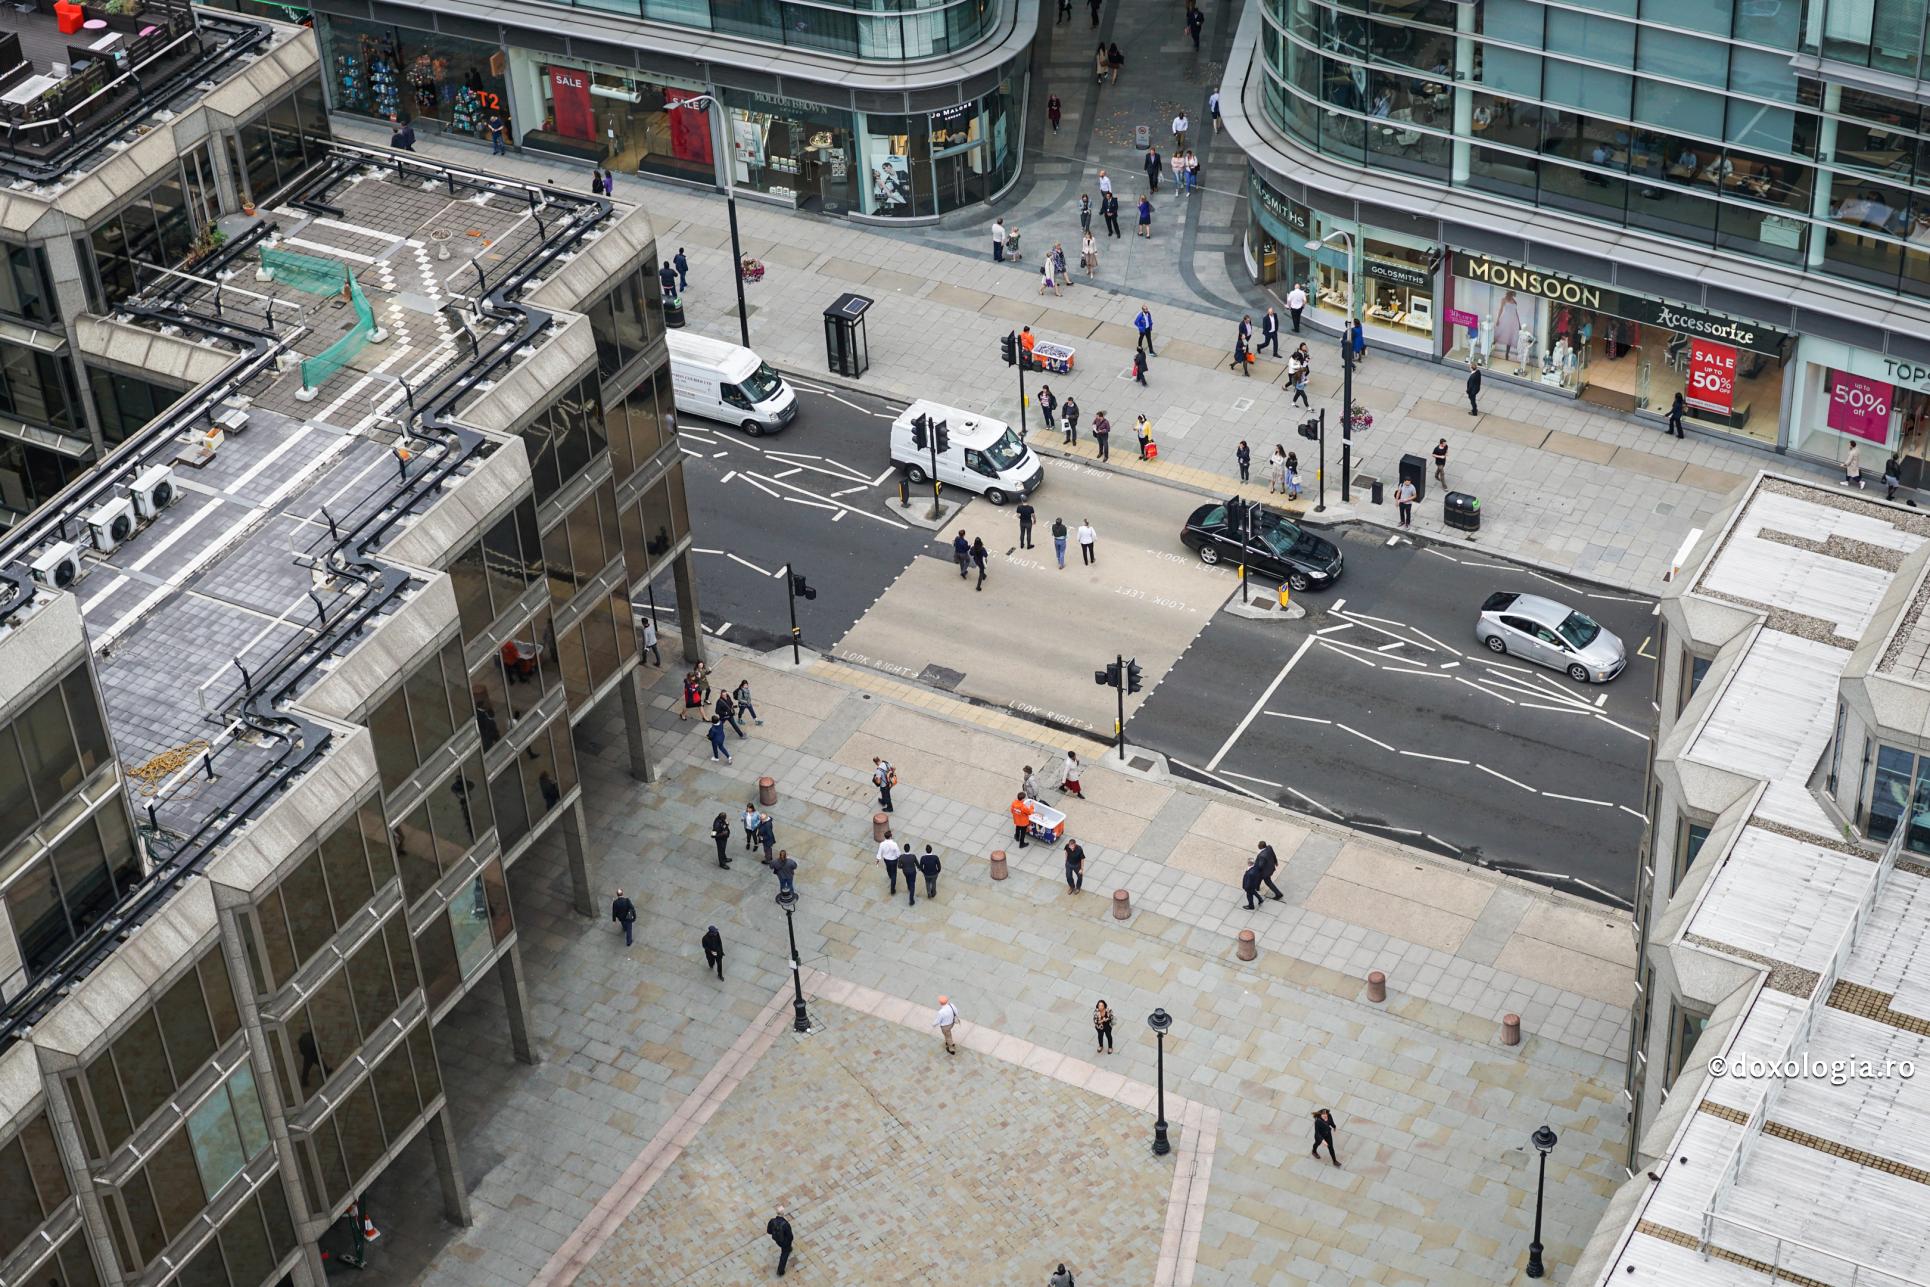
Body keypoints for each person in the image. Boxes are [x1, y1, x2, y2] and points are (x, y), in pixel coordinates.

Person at [767, 1206, 794, 1277]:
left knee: (786, 1249)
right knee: (784, 1254)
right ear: (783, 1213)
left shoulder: (772, 1221)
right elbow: (790, 1236)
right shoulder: (786, 1224)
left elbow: (769, 1231)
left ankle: (789, 1249)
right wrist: (789, 1242)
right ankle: (780, 1271)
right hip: (785, 1242)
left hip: (777, 1240)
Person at [877, 829, 903, 894]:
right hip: (894, 860)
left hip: (886, 859)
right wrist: (900, 858)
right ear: (890, 836)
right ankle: (892, 889)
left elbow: (879, 852)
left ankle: (890, 875)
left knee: (888, 868)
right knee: (894, 874)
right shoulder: (894, 844)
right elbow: (898, 853)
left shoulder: (882, 844)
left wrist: (878, 859)